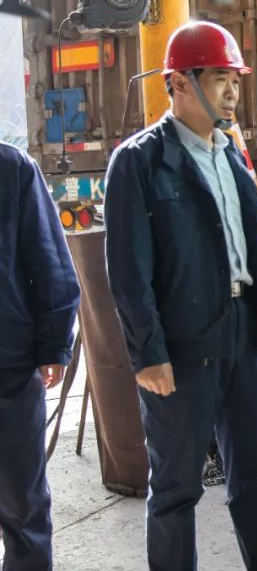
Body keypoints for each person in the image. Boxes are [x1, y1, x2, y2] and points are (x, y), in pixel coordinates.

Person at [103, 20, 257, 571]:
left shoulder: (230, 155)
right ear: (179, 83)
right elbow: (129, 271)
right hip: (183, 347)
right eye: (219, 80)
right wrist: (148, 353)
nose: (232, 93)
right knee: (176, 487)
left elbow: (255, 248)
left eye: (235, 81)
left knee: (256, 473)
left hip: (242, 336)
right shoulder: (139, 161)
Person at [0, 142, 80, 570]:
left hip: (8, 365)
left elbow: (47, 256)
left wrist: (53, 343)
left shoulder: (11, 168)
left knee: (22, 504)